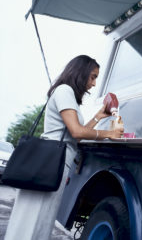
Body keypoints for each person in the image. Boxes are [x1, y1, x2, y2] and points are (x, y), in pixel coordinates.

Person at [4, 55, 124, 240]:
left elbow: (76, 133)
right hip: (49, 161)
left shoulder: (69, 96)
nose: (93, 84)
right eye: (92, 77)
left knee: (41, 217)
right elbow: (76, 132)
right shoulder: (64, 91)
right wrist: (109, 134)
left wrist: (99, 117)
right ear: (81, 73)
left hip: (54, 162)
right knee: (33, 216)